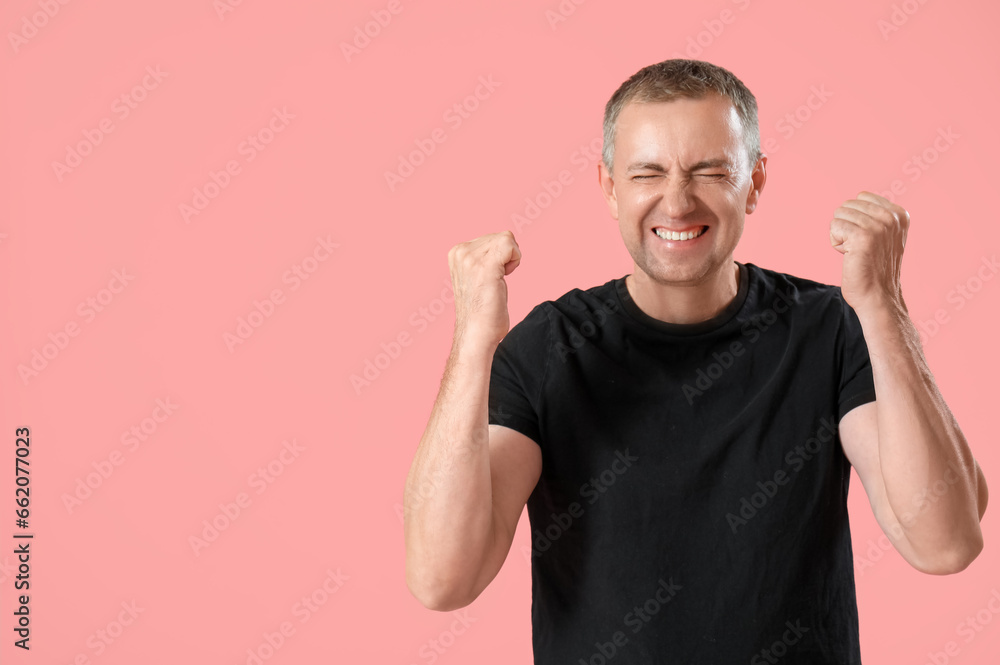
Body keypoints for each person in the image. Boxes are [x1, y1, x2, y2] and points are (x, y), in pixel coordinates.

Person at [403, 59, 989, 663]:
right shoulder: (549, 347)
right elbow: (443, 579)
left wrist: (884, 307)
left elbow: (943, 542)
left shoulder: (832, 329)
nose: (676, 201)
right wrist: (473, 340)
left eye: (710, 171)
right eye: (646, 173)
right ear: (608, 186)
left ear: (755, 182)